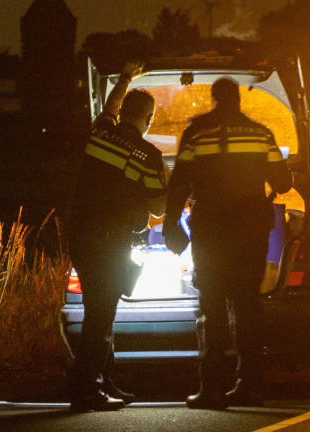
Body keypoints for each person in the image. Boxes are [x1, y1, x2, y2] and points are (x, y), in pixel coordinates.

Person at [163, 77, 293, 409]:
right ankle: (250, 385)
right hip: (250, 232)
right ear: (238, 100)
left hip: (210, 232)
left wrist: (170, 225)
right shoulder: (261, 134)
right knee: (248, 306)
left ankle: (211, 389)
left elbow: (179, 182)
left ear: (214, 99)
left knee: (212, 308)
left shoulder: (196, 133)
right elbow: (282, 180)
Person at [68, 61, 168, 413]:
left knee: (99, 309)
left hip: (79, 235)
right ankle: (84, 392)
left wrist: (125, 78)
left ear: (124, 112)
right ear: (150, 118)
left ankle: (103, 382)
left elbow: (109, 107)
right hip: (109, 242)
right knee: (100, 315)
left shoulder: (100, 131)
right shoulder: (150, 156)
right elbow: (159, 209)